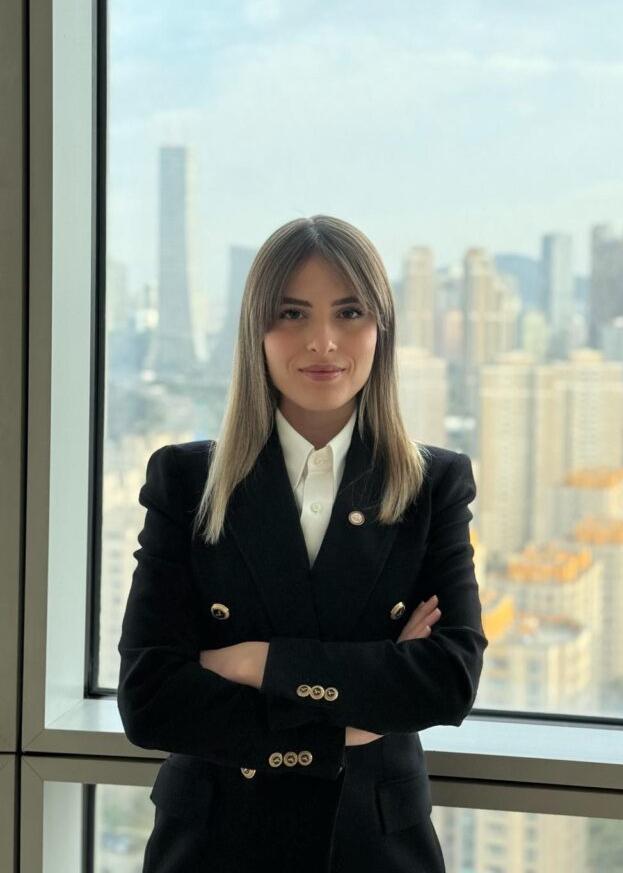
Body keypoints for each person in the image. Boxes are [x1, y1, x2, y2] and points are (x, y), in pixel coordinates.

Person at [117, 214, 487, 873]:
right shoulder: (186, 482)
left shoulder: (433, 486)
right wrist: (354, 715)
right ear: (256, 332)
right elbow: (150, 700)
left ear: (382, 330)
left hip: (374, 847)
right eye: (292, 314)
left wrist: (254, 661)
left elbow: (447, 682)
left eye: (349, 313)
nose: (322, 341)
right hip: (213, 846)